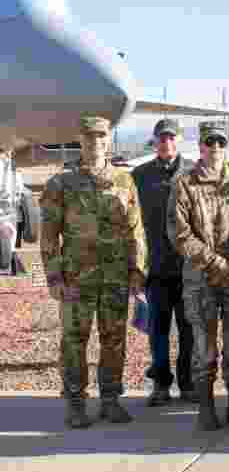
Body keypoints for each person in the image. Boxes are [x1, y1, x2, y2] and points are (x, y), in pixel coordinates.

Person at [40, 114, 148, 428]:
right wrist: (55, 276)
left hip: (114, 278)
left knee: (114, 339)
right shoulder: (61, 183)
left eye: (101, 137)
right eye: (88, 137)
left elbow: (135, 230)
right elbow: (48, 235)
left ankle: (111, 400)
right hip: (77, 279)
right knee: (74, 341)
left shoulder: (124, 181)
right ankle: (76, 403)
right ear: (80, 141)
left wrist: (137, 271)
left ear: (108, 140)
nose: (95, 143)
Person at [168, 121, 229, 431]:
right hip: (201, 278)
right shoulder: (184, 183)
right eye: (208, 142)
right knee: (204, 347)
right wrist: (214, 261)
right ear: (200, 146)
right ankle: (205, 407)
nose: (214, 148)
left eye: (219, 142)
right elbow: (179, 233)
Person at [132, 119, 196, 406]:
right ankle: (160, 384)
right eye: (161, 138)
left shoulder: (194, 173)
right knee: (157, 331)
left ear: (178, 139)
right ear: (154, 141)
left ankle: (188, 383)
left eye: (171, 137)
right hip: (156, 268)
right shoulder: (140, 176)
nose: (166, 142)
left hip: (188, 268)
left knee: (189, 330)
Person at [0, 147, 26, 274]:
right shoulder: (11, 165)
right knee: (12, 229)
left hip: (6, 202)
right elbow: (19, 187)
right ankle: (14, 260)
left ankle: (13, 260)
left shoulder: (9, 165)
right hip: (10, 203)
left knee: (10, 229)